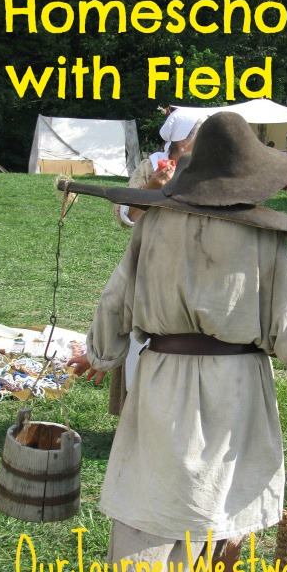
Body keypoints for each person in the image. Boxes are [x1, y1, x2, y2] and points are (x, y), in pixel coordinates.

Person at [69, 112, 287, 572]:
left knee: (165, 495)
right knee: (229, 495)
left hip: (163, 379)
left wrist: (100, 352)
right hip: (236, 388)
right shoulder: (262, 237)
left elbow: (117, 298)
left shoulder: (154, 222)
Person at [110, 110, 204, 416]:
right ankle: (140, 413)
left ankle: (178, 416)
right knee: (146, 336)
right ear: (184, 141)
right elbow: (124, 217)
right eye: (198, 136)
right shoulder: (151, 166)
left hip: (194, 264)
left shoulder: (208, 169)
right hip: (152, 262)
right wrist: (151, 189)